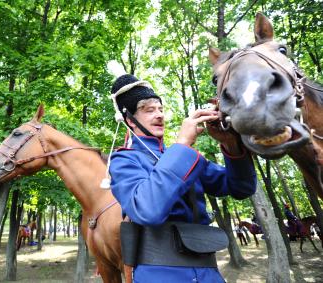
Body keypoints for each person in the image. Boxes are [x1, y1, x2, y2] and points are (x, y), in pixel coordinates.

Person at [109, 74, 257, 283]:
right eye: (149, 110)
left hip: (209, 273)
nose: (159, 115)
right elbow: (147, 210)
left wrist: (231, 143)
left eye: (160, 109)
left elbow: (242, 187)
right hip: (159, 275)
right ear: (129, 120)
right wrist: (183, 144)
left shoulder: (184, 156)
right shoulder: (123, 160)